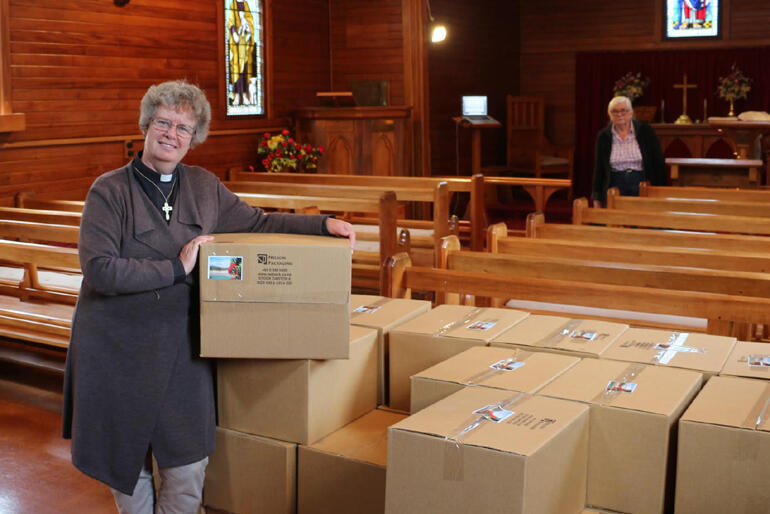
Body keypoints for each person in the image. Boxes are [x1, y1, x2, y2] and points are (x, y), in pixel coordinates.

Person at [61, 79, 354, 513]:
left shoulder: (203, 186)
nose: (171, 134)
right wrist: (176, 268)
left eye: (183, 127)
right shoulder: (109, 190)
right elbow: (99, 270)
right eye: (163, 122)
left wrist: (323, 225)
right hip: (117, 351)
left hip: (183, 349)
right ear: (146, 124)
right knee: (126, 468)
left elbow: (258, 224)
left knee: (188, 464)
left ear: (194, 138)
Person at [591, 95, 666, 207]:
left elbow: (658, 162)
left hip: (641, 182)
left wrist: (660, 192)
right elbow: (599, 168)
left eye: (623, 111)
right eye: (615, 111)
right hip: (614, 183)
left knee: (640, 220)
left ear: (631, 113)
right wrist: (596, 198)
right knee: (614, 220)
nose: (619, 114)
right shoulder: (604, 136)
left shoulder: (646, 131)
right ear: (610, 115)